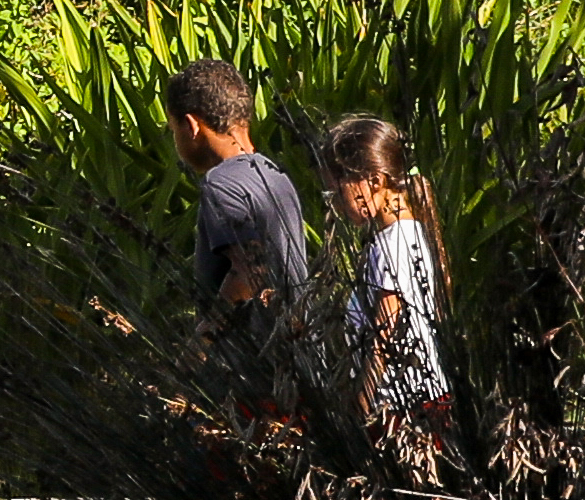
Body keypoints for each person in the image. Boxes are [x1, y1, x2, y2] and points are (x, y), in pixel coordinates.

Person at [173, 61, 312, 420]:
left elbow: (249, 272)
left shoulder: (220, 184)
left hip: (250, 375)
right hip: (296, 365)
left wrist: (199, 345)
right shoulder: (274, 174)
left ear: (191, 126)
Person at [327, 114, 446, 449]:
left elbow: (385, 330)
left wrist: (361, 406)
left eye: (337, 191)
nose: (335, 203)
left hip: (403, 413)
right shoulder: (404, 236)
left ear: (374, 181)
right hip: (413, 404)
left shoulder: (393, 244)